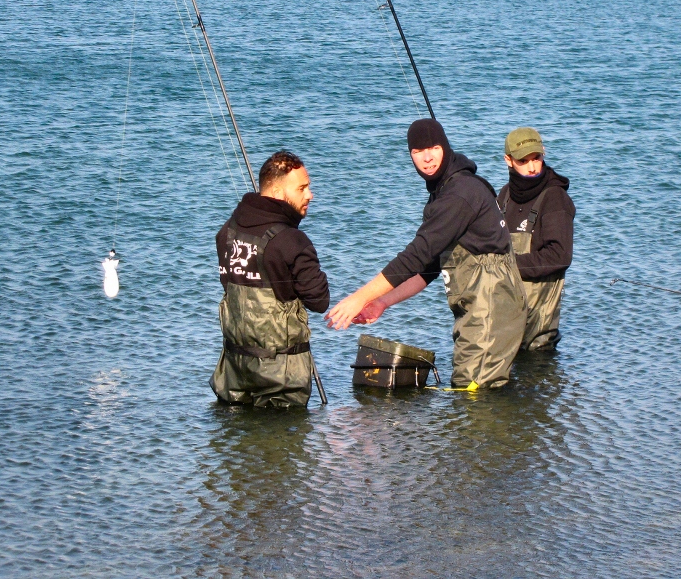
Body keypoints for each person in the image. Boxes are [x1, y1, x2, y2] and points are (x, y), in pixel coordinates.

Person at [325, 119, 527, 389]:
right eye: (417, 152)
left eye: (433, 147)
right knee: (470, 389)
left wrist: (359, 298)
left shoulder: (460, 193)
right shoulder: (443, 193)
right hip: (478, 308)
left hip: (492, 306)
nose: (427, 158)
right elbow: (429, 267)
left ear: (444, 146)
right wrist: (382, 302)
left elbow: (416, 255)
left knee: (473, 392)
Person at [210, 151, 329, 407]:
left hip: (233, 374)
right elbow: (319, 301)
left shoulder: (226, 232)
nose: (310, 195)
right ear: (276, 194)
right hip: (282, 382)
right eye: (302, 188)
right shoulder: (292, 241)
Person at [496, 127, 575, 351]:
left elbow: (559, 256)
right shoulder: (503, 197)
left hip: (538, 334)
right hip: (504, 322)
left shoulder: (555, 198)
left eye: (537, 158)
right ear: (508, 160)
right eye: (523, 161)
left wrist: (506, 265)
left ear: (543, 153)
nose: (532, 167)